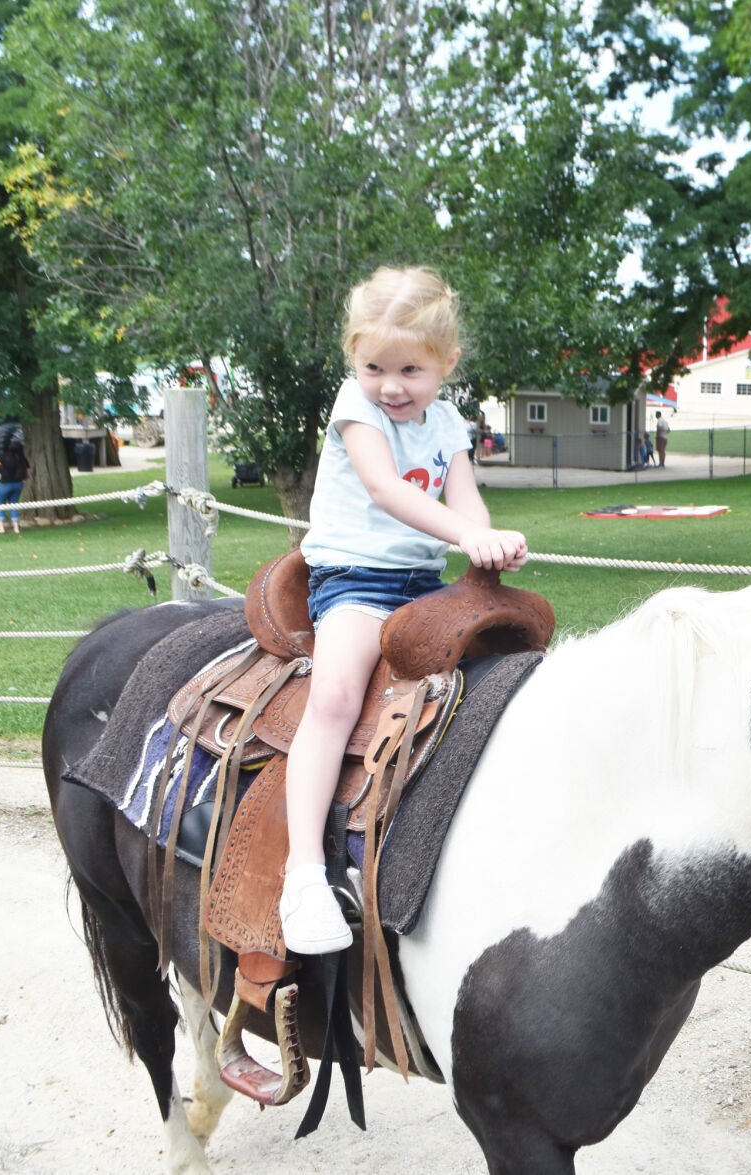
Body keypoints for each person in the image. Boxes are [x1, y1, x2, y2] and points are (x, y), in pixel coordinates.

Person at [281, 265, 527, 954]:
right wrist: (464, 534)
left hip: (422, 580)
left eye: (410, 369)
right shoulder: (353, 408)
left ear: (447, 362)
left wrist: (488, 542)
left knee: (495, 686)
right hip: (355, 579)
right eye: (373, 365)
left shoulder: (446, 421)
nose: (390, 384)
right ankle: (302, 871)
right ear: (352, 360)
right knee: (333, 696)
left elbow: (464, 497)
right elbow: (386, 489)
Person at [0, 438, 28, 535]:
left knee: (0, 504)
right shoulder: (22, 459)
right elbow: (27, 472)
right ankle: (16, 528)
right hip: (18, 485)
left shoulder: (5, 456)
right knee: (14, 505)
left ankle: (1, 528)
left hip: (5, 485)